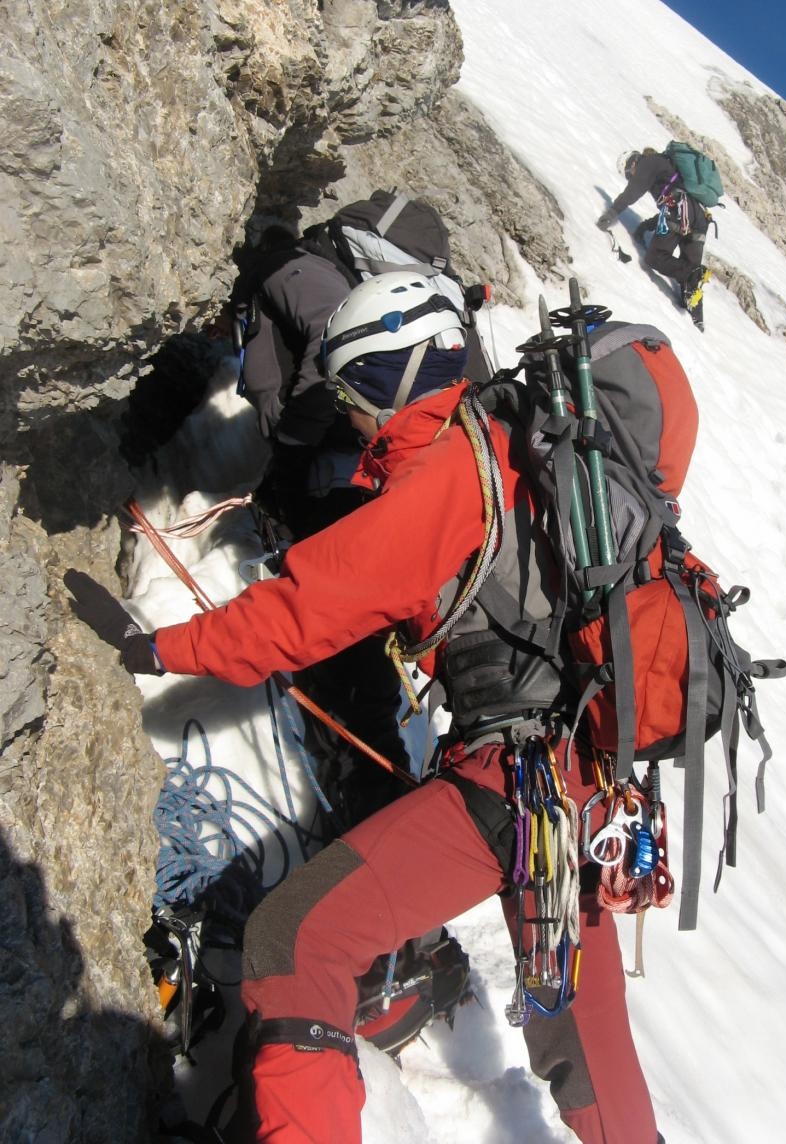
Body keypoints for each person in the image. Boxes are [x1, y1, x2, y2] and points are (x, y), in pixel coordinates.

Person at [65, 271, 661, 1144]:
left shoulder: (454, 467)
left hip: (512, 787)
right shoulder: (527, 447)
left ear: (398, 372)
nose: (348, 413)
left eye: (354, 389)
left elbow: (306, 610)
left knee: (293, 940)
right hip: (589, 788)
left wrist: (157, 647)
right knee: (584, 1033)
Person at [229, 225, 409, 819]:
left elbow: (329, 343)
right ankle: (370, 791)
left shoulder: (290, 271)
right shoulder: (300, 277)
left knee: (343, 647)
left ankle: (367, 799)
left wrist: (294, 437)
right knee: (355, 648)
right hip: (341, 480)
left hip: (329, 482)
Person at [597, 149, 709, 331]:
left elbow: (633, 192)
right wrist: (646, 226)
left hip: (679, 211)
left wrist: (611, 214)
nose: (631, 178)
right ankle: (697, 321)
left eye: (629, 175)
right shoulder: (665, 167)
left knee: (655, 257)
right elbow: (672, 204)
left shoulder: (647, 163)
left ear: (632, 164)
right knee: (688, 276)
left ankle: (693, 273)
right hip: (699, 217)